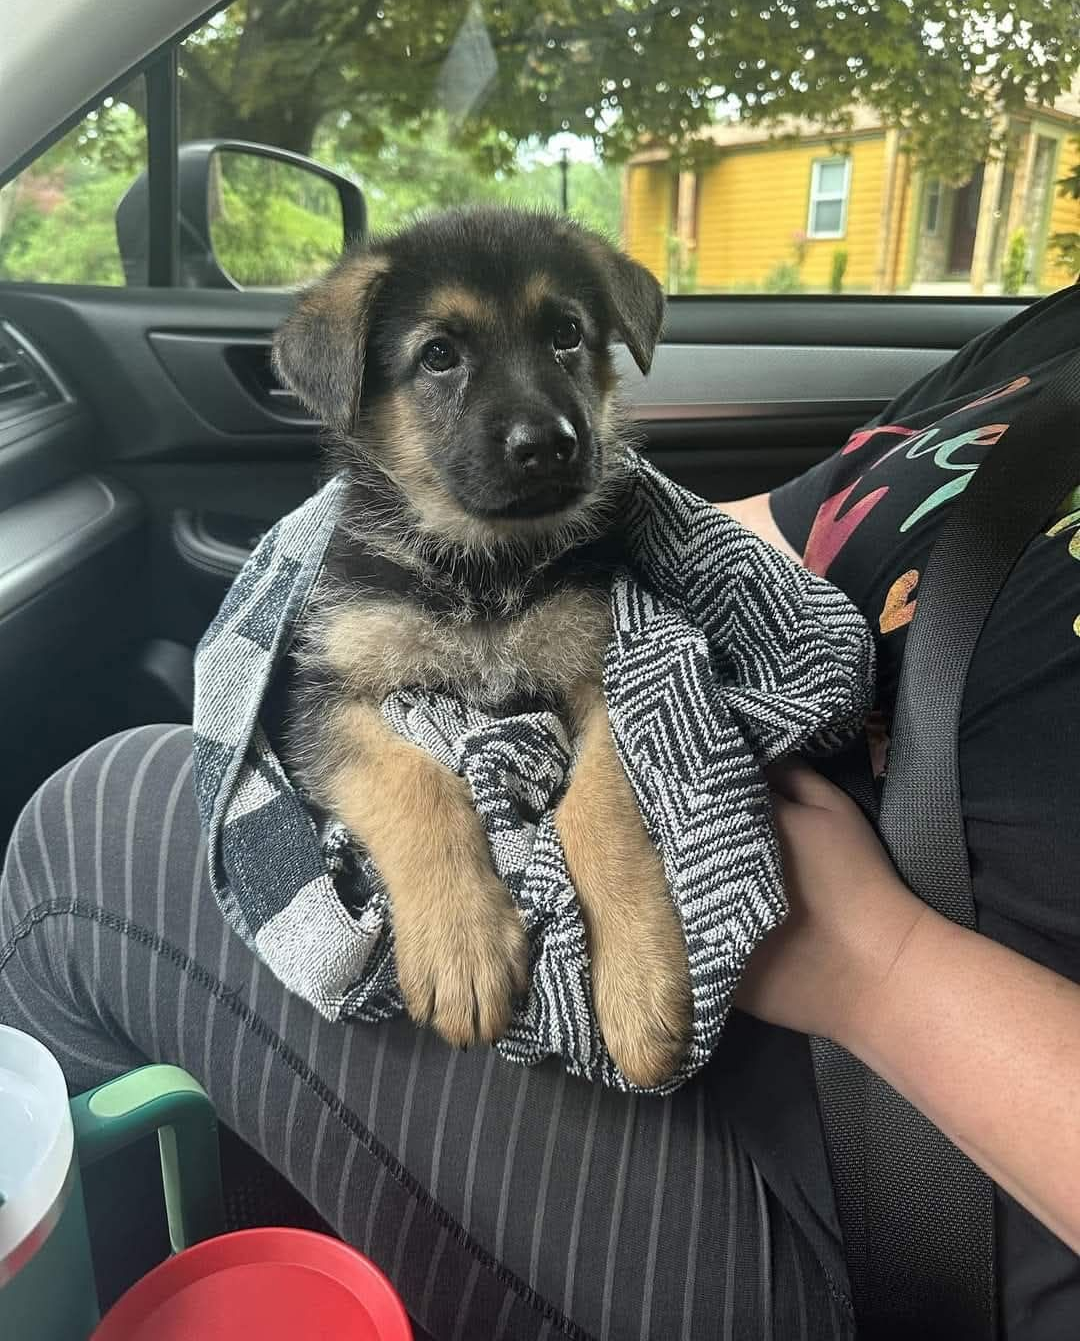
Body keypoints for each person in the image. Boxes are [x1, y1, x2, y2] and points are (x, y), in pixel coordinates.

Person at [2, 285, 1079, 1339]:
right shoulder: (1055, 337)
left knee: (91, 834)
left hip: (895, 1167)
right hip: (790, 912)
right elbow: (755, 541)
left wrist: (879, 969)